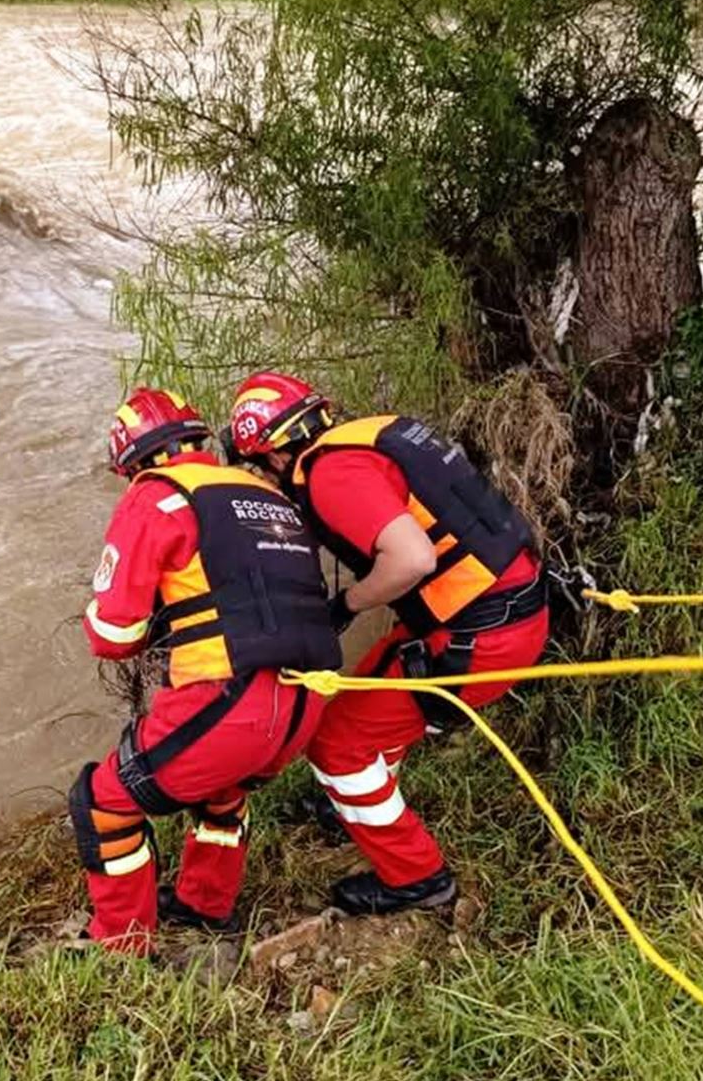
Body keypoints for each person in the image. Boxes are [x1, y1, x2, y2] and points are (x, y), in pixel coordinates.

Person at [225, 372, 549, 916]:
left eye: (259, 468)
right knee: (359, 698)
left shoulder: (329, 476)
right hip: (497, 609)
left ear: (276, 457)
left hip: (480, 637)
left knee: (335, 743)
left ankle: (418, 879)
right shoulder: (373, 434)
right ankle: (356, 797)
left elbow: (413, 560)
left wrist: (348, 605)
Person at [73, 387, 345, 951]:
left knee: (103, 804)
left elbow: (112, 636)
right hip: (305, 704)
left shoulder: (155, 497)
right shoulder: (263, 492)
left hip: (230, 704)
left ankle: (121, 946)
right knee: (222, 794)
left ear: (137, 462)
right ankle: (204, 906)